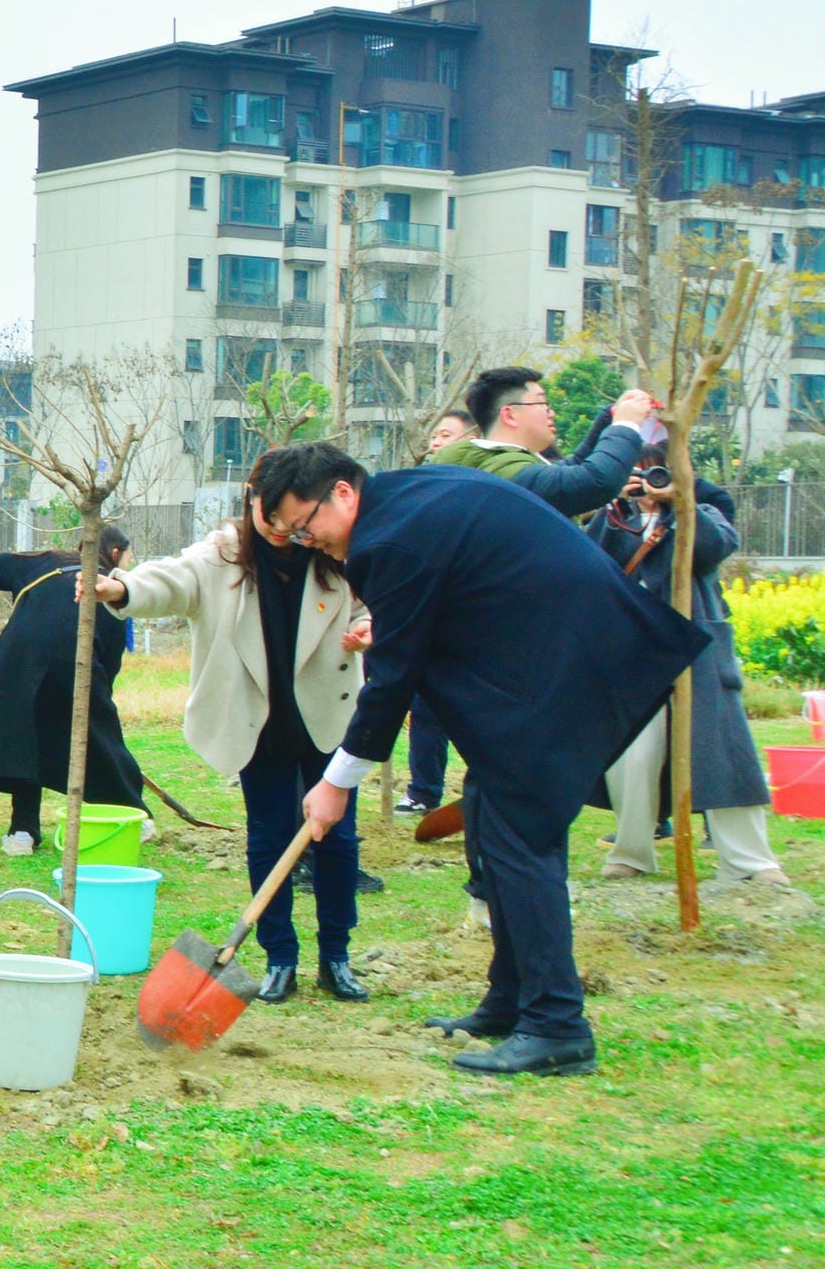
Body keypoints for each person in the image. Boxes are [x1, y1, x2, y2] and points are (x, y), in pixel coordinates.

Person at [266, 442, 703, 1077]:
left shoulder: (386, 539)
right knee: (489, 823)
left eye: (306, 525)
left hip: (563, 664)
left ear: (341, 492)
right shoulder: (404, 500)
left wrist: (338, 782)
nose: (310, 541)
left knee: (521, 841)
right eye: (293, 535)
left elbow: (390, 681)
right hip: (550, 657)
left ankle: (557, 1024)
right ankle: (510, 999)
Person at [101, 458, 372, 1001]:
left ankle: (336, 956)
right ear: (249, 502)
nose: (280, 529)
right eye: (267, 516)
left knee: (336, 839)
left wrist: (368, 625)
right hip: (256, 719)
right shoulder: (223, 554)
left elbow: (375, 601)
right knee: (269, 836)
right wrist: (120, 590)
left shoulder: (334, 551)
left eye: (289, 520)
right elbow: (170, 580)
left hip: (328, 714)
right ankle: (280, 958)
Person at [587, 470, 782, 884]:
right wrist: (615, 507)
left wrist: (680, 504)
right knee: (633, 757)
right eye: (638, 474)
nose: (649, 484)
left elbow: (712, 548)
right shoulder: (616, 517)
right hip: (634, 653)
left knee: (722, 755)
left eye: (658, 472)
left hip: (698, 653)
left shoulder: (699, 514)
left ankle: (750, 861)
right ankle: (632, 851)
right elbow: (588, 559)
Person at [0, 529, 146, 857]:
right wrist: (101, 698)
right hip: (72, 662)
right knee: (101, 740)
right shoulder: (112, 588)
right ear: (116, 552)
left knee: (24, 742)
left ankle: (23, 833)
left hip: (15, 662)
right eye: (129, 557)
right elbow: (110, 657)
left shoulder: (45, 561)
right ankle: (135, 816)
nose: (128, 565)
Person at [429, 367, 662, 517]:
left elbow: (573, 465)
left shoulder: (492, 462)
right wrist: (626, 424)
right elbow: (595, 482)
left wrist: (609, 418)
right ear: (509, 414)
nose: (552, 413)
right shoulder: (503, 473)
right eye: (542, 403)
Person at [397, 409, 475, 816]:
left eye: (446, 435)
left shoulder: (481, 492)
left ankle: (487, 787)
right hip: (429, 625)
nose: (435, 444)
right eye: (434, 437)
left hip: (473, 630)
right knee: (424, 710)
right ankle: (423, 792)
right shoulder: (425, 492)